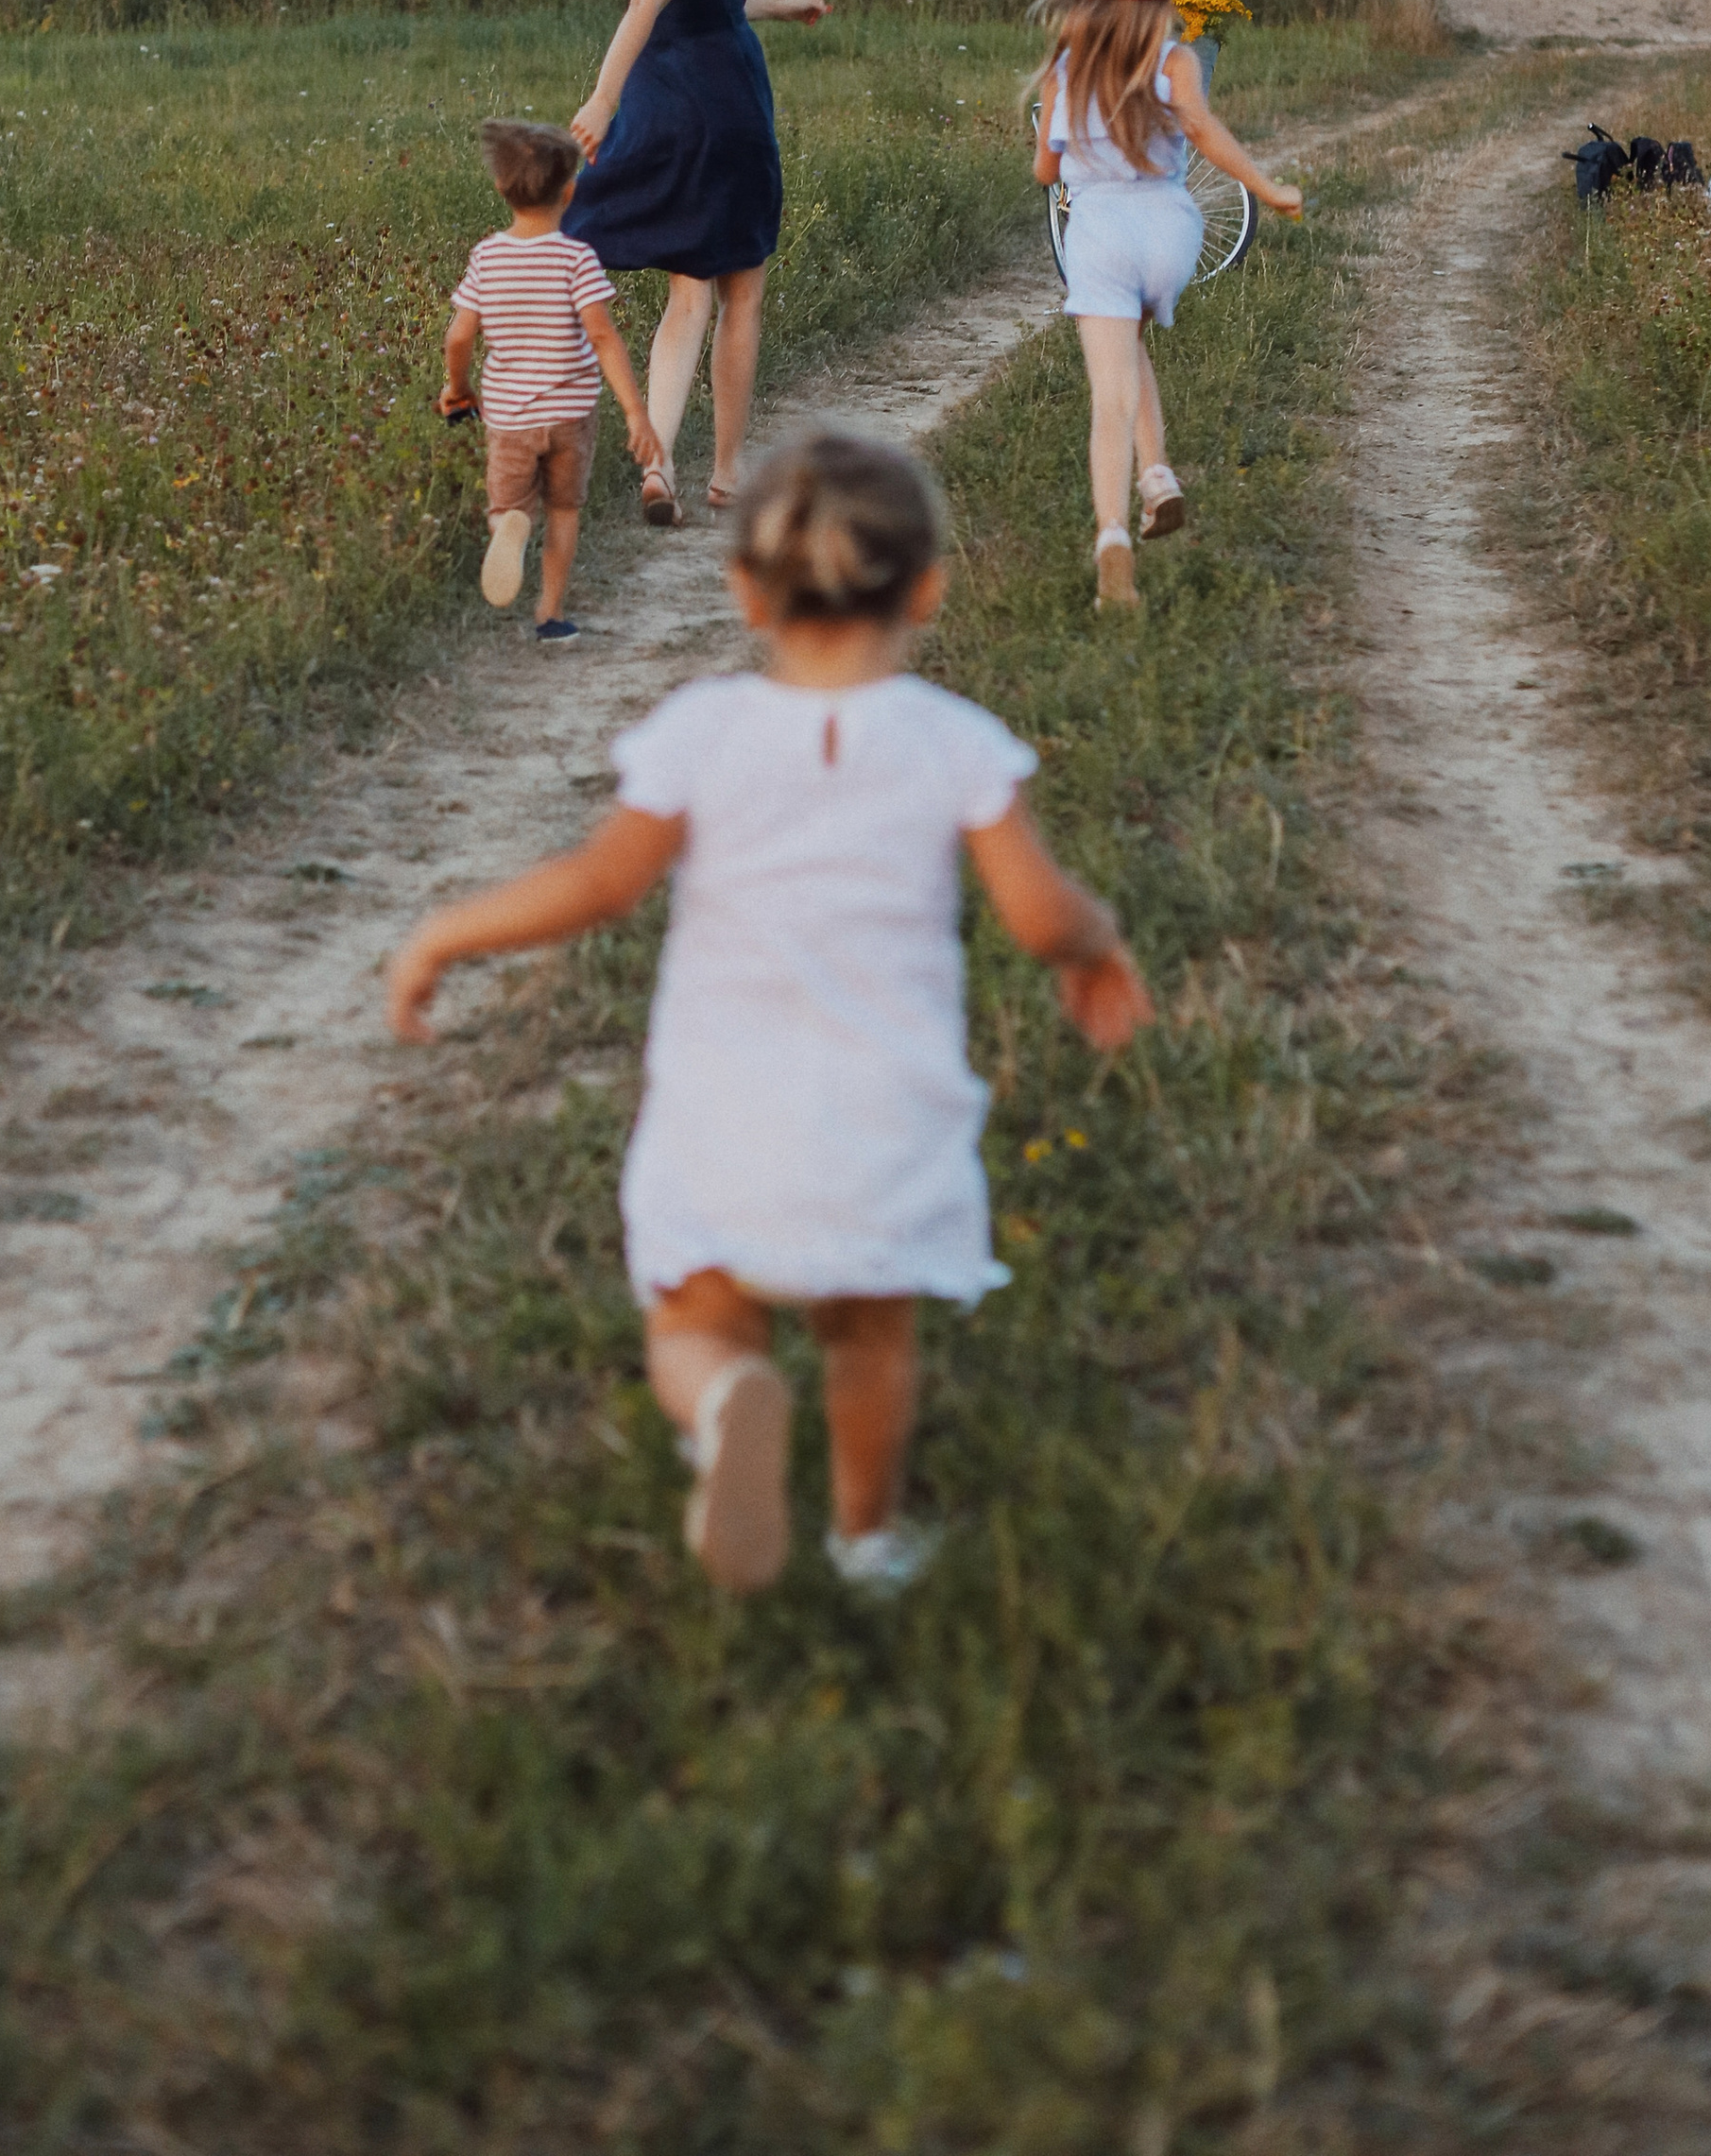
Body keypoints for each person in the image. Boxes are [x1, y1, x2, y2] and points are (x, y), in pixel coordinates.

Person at [387, 427, 1152, 1596]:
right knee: (866, 1342)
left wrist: (449, 929)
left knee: (698, 1322)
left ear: (744, 593)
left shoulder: (704, 732)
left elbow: (598, 886)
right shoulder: (953, 745)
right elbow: (1042, 917)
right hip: (883, 1121)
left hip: (720, 1116)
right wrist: (1094, 949)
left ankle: (728, 1402)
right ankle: (865, 1540)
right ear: (931, 588)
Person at [566, 0, 829, 528]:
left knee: (690, 293)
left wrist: (783, 5)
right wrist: (601, 99)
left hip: (672, 105)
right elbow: (646, 5)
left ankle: (658, 464)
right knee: (741, 293)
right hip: (724, 112)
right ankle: (725, 474)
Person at [1027, 0, 1303, 611]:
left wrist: (1063, 151)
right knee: (1136, 337)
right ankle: (1157, 477)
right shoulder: (1176, 61)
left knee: (1108, 398)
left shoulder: (1067, 66)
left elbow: (1044, 171)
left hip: (1101, 232)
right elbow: (1205, 133)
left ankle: (1113, 539)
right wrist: (1268, 189)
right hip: (1170, 231)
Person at [441, 119, 661, 643]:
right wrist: (636, 412)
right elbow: (605, 338)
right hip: (570, 415)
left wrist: (458, 387)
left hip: (512, 418)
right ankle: (550, 616)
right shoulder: (576, 259)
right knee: (563, 511)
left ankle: (509, 531)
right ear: (569, 190)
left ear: (500, 189)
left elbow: (458, 336)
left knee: (510, 507)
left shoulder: (487, 257)